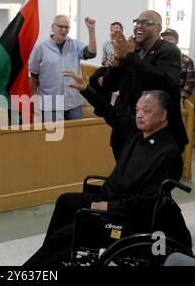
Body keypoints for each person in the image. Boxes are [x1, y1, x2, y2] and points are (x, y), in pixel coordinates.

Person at [24, 89, 192, 266]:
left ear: (163, 115)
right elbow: (111, 114)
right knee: (65, 202)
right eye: (137, 110)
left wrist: (109, 206)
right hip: (110, 198)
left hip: (125, 217)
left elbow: (147, 201)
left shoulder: (168, 154)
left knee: (65, 236)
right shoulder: (136, 132)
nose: (139, 115)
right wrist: (86, 90)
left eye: (146, 111)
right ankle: (51, 257)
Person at [99, 10, 188, 160]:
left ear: (159, 29)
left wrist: (130, 56)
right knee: (124, 178)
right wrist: (118, 60)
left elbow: (164, 83)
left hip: (156, 135)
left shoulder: (168, 50)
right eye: (137, 22)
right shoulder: (132, 50)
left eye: (146, 23)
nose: (139, 26)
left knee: (149, 181)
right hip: (126, 131)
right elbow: (109, 85)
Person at [29, 14, 97, 122]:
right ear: (53, 27)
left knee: (75, 137)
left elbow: (91, 53)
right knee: (54, 138)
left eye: (67, 27)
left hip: (74, 103)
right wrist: (33, 100)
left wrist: (91, 30)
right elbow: (34, 75)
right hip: (51, 105)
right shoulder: (41, 48)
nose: (64, 30)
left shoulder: (75, 45)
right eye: (60, 26)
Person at [161, 28, 195, 104]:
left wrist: (180, 99)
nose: (166, 42)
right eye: (164, 40)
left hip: (178, 100)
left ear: (177, 41)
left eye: (170, 39)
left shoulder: (187, 61)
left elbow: (190, 83)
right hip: (158, 100)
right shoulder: (158, 59)